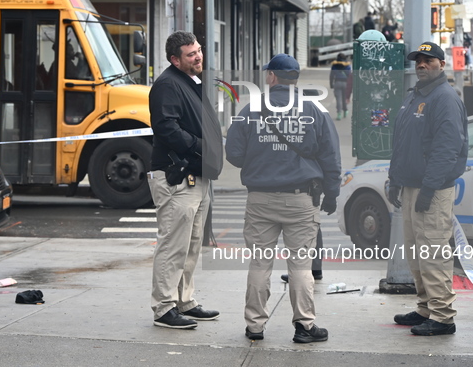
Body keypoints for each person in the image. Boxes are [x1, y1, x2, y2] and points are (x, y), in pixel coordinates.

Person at [226, 53, 341, 343]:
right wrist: (332, 192)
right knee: (301, 265)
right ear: (296, 79)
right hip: (301, 199)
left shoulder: (250, 110)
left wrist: (261, 159)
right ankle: (304, 326)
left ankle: (254, 326)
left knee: (260, 264)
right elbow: (330, 156)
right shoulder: (315, 111)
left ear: (272, 77)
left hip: (260, 199)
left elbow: (234, 154)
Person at [387, 42, 468, 336]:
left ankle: (443, 317)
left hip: (431, 190)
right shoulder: (413, 98)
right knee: (415, 253)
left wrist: (429, 189)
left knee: (433, 253)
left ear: (441, 64)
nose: (421, 64)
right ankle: (425, 307)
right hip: (410, 186)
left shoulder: (444, 98)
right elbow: (402, 143)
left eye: (428, 60)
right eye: (418, 60)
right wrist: (394, 179)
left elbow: (447, 149)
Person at [148, 30, 224, 329]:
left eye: (199, 50)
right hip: (176, 176)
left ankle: (184, 301)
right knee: (173, 245)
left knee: (192, 245)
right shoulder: (167, 85)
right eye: (191, 54)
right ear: (175, 60)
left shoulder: (191, 81)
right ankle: (164, 307)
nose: (198, 56)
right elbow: (166, 128)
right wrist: (198, 146)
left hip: (197, 176)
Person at [329, 53, 352, 120]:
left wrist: (331, 84)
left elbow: (331, 75)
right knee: (344, 98)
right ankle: (345, 111)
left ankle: (339, 114)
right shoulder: (348, 65)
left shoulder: (334, 65)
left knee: (338, 99)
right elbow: (349, 76)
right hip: (345, 83)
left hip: (337, 82)